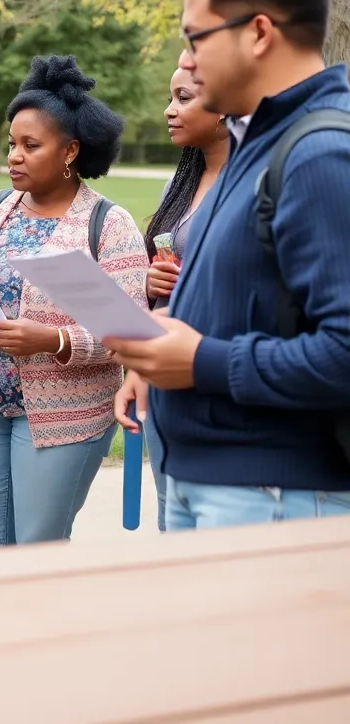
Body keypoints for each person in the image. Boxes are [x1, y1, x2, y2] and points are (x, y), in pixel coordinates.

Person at [110, 0, 350, 529]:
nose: (185, 60)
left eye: (196, 38)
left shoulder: (319, 153)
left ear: (259, 32)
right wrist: (158, 356)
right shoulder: (254, 144)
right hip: (209, 478)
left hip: (271, 493)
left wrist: (200, 361)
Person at [0, 55, 148, 549]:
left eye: (30, 145)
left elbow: (131, 333)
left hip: (63, 414)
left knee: (36, 548)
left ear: (70, 151)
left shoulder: (109, 224)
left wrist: (55, 340)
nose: (14, 156)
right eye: (11, 144)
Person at [137, 61, 229, 531]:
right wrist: (151, 281)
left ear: (224, 103)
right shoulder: (181, 182)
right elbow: (158, 264)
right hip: (162, 375)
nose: (170, 110)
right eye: (170, 97)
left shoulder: (248, 185)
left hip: (212, 370)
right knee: (169, 513)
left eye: (184, 97)